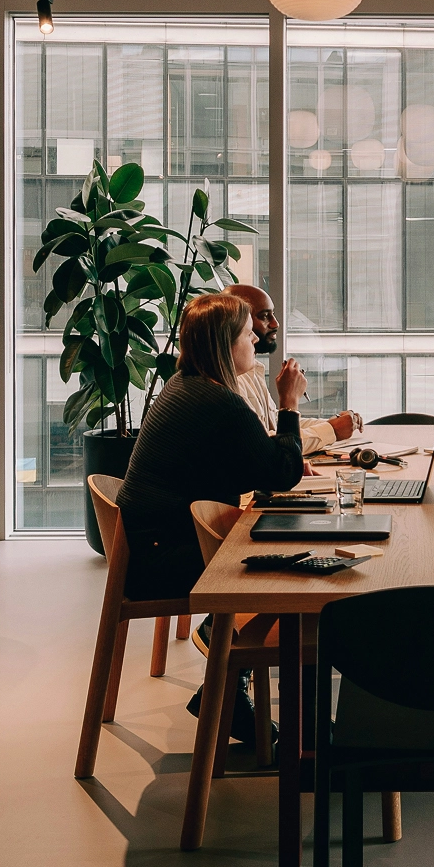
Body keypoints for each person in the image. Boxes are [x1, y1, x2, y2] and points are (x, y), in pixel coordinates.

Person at [117, 291, 306, 740]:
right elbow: (283, 472)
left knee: (283, 553)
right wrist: (289, 405)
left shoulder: (186, 387)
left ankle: (224, 686)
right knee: (297, 571)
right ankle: (242, 690)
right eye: (247, 334)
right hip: (165, 561)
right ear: (227, 344)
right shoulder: (217, 401)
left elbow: (250, 463)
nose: (254, 341)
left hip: (154, 547)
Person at [225, 283, 358, 455]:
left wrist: (335, 424)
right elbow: (269, 445)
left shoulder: (252, 370)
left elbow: (273, 423)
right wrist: (330, 429)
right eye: (264, 316)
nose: (276, 323)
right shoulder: (228, 381)